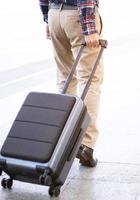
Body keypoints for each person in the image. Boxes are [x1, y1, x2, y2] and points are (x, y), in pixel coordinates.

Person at [39, 0, 104, 167]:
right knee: (90, 79)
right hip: (77, 15)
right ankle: (85, 145)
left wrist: (47, 17)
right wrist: (89, 27)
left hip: (55, 15)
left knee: (64, 77)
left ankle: (66, 138)